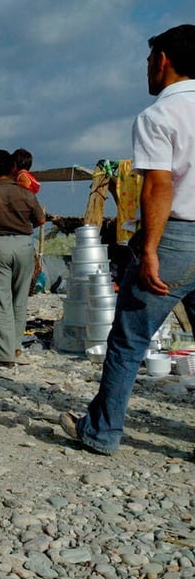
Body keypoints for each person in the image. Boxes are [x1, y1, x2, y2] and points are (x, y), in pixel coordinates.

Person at [60, 24, 195, 455]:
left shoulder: (159, 116)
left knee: (129, 338)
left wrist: (151, 249)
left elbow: (158, 186)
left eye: (149, 62)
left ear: (163, 61)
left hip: (177, 236)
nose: (148, 71)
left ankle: (101, 432)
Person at [0, 149, 45, 368]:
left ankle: (4, 356)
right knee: (19, 299)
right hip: (24, 245)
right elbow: (40, 220)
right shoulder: (26, 194)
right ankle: (15, 346)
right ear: (13, 169)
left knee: (1, 301)